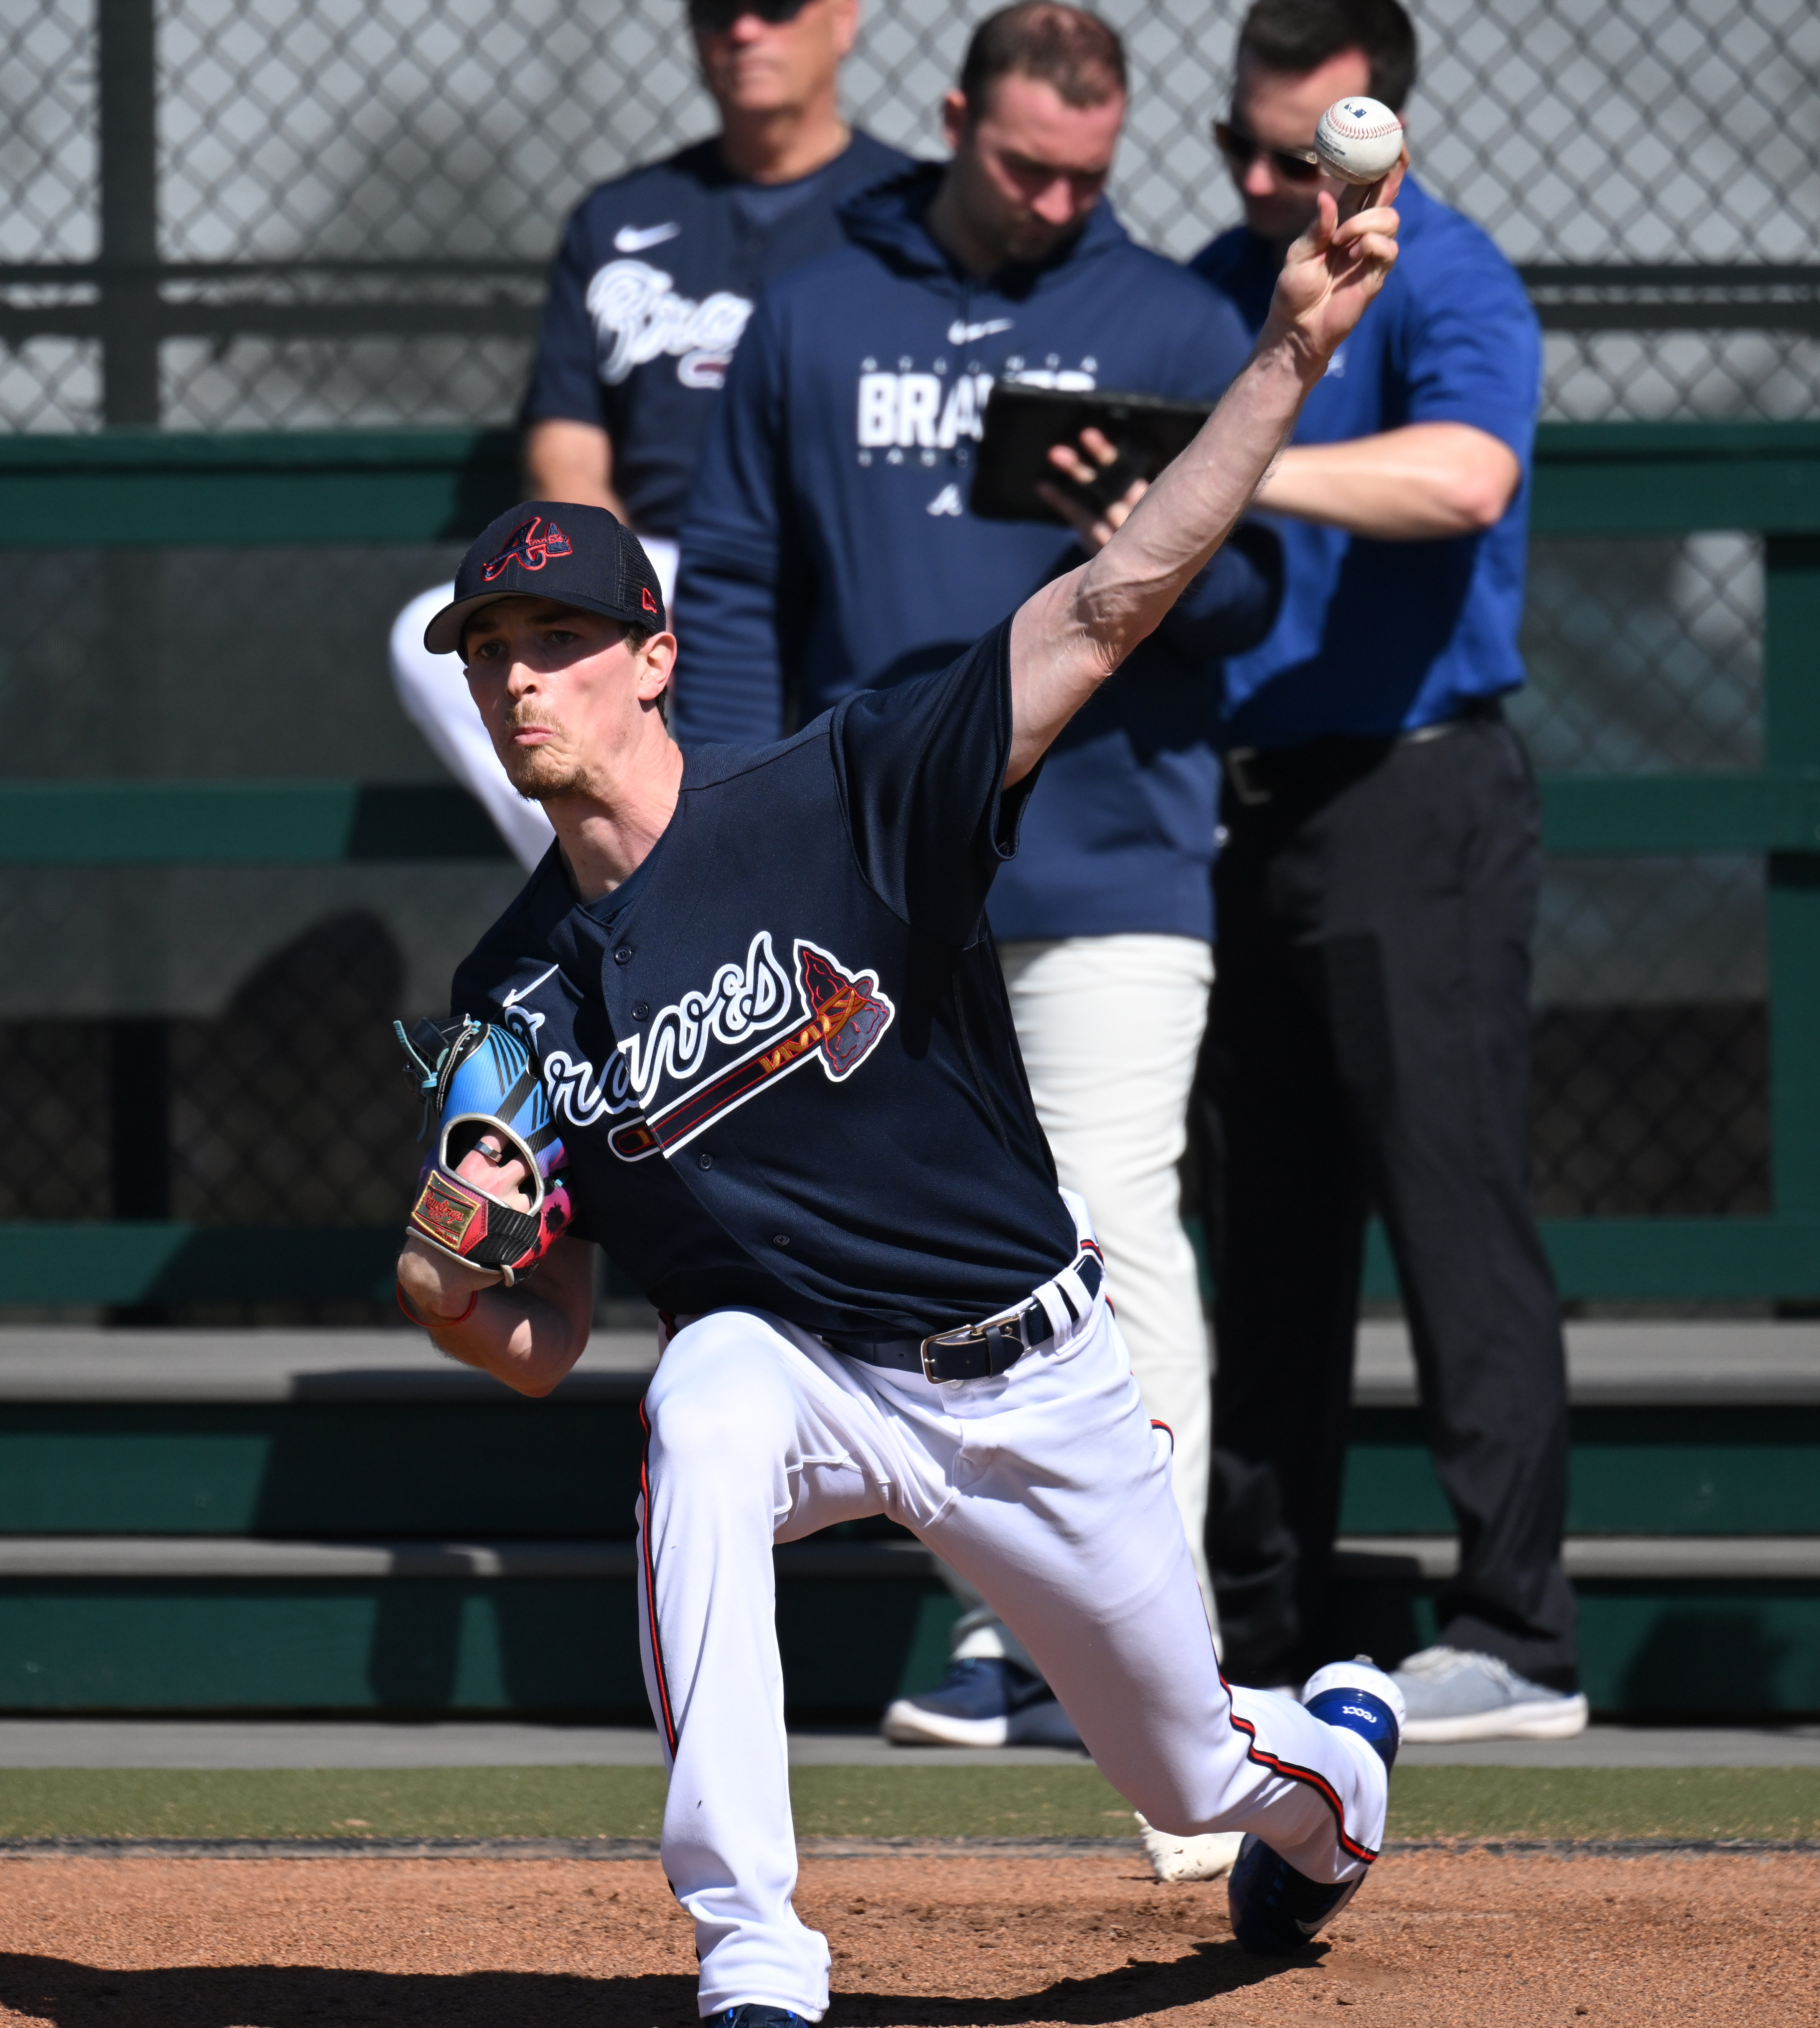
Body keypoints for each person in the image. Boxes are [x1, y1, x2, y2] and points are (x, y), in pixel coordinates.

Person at [387, 157, 1403, 2026]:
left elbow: (1109, 601)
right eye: (492, 653)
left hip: (1025, 1368)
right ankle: (755, 1943)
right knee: (697, 1398)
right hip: (810, 1379)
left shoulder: (847, 790)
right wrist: (451, 1292)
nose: (522, 683)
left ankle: (1340, 1767)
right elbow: (544, 1338)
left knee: (1203, 1777)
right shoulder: (517, 990)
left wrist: (1280, 355)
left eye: (558, 642)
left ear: (653, 658)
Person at [670, 0, 1278, 1750]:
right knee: (943, 1267)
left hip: (1107, 853)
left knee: (1112, 1230)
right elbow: (730, 581)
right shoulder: (813, 308)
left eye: (1090, 172)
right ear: (949, 119)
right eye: (1025, 166)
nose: (1061, 200)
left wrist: (1143, 545)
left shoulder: (1171, 313)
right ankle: (1002, 1632)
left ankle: (1153, 1642)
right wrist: (726, 811)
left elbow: (1257, 602)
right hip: (876, 880)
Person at [1192, 0, 1584, 1745]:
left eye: (1305, 154)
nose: (1271, 181)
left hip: (1417, 800)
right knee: (1263, 1240)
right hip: (1239, 809)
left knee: (1452, 1206)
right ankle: (1252, 1632)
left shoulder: (1452, 279)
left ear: (1381, 143)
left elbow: (1468, 474)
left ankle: (1515, 1631)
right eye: (1245, 148)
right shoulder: (1216, 276)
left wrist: (1242, 462)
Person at [386, 0, 908, 865]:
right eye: (715, 10)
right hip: (657, 556)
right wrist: (627, 597)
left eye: (775, 7)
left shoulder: (906, 212)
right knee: (423, 641)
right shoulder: (619, 216)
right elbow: (567, 446)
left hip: (836, 553)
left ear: (843, 19)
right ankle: (633, 874)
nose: (743, 31)